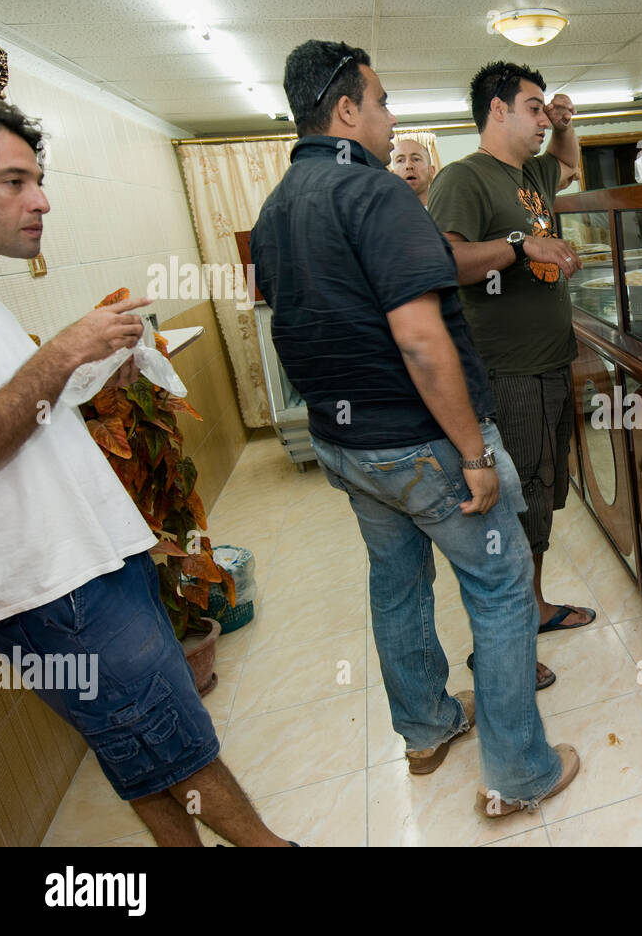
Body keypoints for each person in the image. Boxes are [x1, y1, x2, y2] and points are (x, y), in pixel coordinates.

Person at [250, 41, 577, 816]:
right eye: (384, 101)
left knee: (397, 583)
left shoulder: (277, 207)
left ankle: (427, 728)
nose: (392, 119)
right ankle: (519, 773)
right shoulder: (375, 194)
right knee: (499, 589)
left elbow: (291, 332)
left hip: (345, 444)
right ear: (345, 109)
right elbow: (421, 338)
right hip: (419, 442)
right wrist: (473, 451)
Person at [0, 99, 291, 846]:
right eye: (13, 181)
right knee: (178, 745)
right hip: (56, 587)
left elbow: (23, 414)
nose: (41, 199)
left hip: (91, 560)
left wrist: (86, 369)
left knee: (134, 747)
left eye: (37, 179)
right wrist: (62, 351)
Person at [428, 61, 598, 644]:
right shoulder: (465, 178)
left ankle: (533, 606)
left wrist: (565, 123)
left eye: (546, 107)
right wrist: (522, 244)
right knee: (513, 507)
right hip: (510, 373)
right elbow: (445, 264)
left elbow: (570, 162)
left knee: (541, 501)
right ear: (496, 110)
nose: (542, 117)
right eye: (533, 107)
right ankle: (507, 641)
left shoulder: (532, 176)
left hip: (552, 363)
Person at [390, 137, 435, 207]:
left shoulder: (446, 212)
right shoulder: (384, 215)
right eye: (400, 160)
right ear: (392, 174)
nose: (408, 166)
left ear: (431, 171)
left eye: (416, 159)